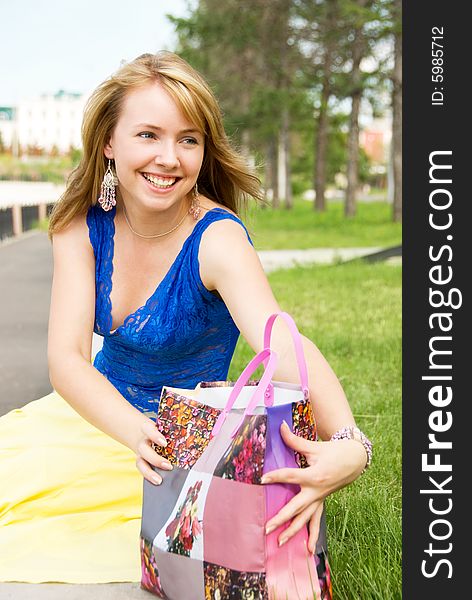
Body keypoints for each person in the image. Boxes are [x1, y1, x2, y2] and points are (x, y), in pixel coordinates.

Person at [0, 51, 372, 598]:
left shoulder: (217, 238)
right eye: (148, 135)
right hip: (98, 420)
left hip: (189, 443)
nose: (168, 158)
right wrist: (130, 431)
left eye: (188, 139)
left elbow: (283, 342)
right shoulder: (80, 224)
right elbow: (67, 360)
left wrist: (349, 443)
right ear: (109, 142)